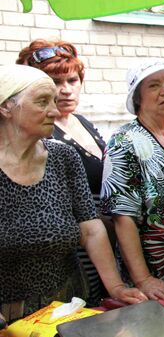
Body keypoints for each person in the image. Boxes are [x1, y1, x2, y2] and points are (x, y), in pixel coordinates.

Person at [0, 65, 145, 322]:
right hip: (8, 316)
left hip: (68, 304)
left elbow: (91, 228)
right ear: (6, 107)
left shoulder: (62, 157)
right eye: (42, 102)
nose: (55, 112)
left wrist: (116, 287)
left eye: (54, 102)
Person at [17, 40, 111, 304]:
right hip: (72, 248)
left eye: (72, 80)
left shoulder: (83, 122)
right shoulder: (39, 136)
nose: (66, 90)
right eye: (56, 83)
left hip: (102, 242)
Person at [101, 60, 164, 300]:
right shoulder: (125, 141)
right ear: (138, 99)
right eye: (154, 85)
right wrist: (143, 279)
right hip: (153, 276)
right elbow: (123, 216)